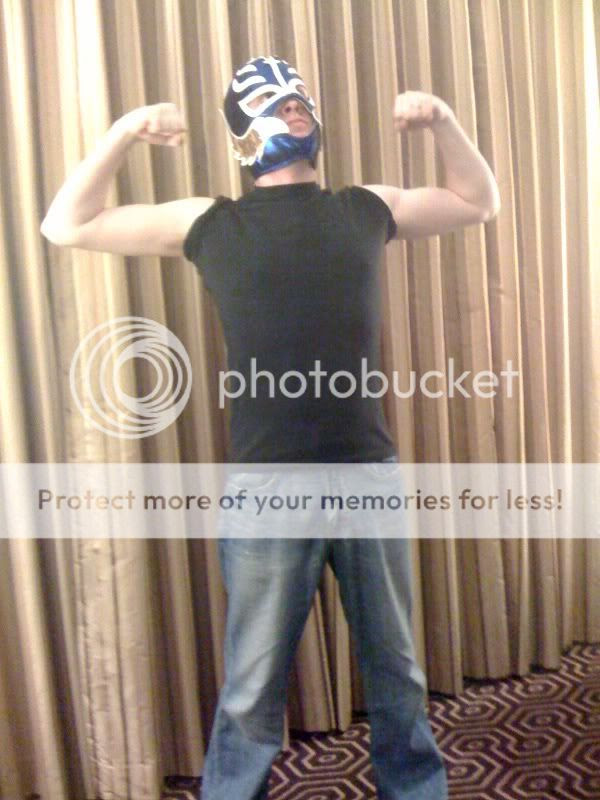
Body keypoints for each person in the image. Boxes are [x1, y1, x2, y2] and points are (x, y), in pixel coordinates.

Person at [41, 55, 500, 800]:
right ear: (241, 126)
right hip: (268, 487)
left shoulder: (363, 208)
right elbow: (65, 224)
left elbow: (477, 202)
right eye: (272, 100)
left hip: (366, 476)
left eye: (297, 98)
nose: (291, 107)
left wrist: (444, 120)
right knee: (252, 687)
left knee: (397, 671)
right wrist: (125, 131)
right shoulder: (210, 223)